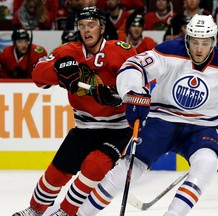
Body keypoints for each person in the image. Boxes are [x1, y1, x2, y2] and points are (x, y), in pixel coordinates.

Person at [76, 15, 218, 216]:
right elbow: (133, 66)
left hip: (200, 128)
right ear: (187, 38)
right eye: (194, 42)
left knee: (208, 163)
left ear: (213, 41)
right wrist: (133, 93)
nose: (199, 48)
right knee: (126, 171)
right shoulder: (169, 51)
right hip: (161, 121)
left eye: (205, 43)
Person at [12, 6, 137, 216]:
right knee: (56, 173)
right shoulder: (68, 52)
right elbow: (37, 75)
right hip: (84, 126)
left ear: (102, 27)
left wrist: (119, 95)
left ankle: (66, 212)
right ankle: (35, 209)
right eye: (82, 25)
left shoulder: (122, 51)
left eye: (91, 25)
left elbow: (141, 83)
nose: (86, 30)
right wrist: (58, 72)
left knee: (95, 166)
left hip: (117, 128)